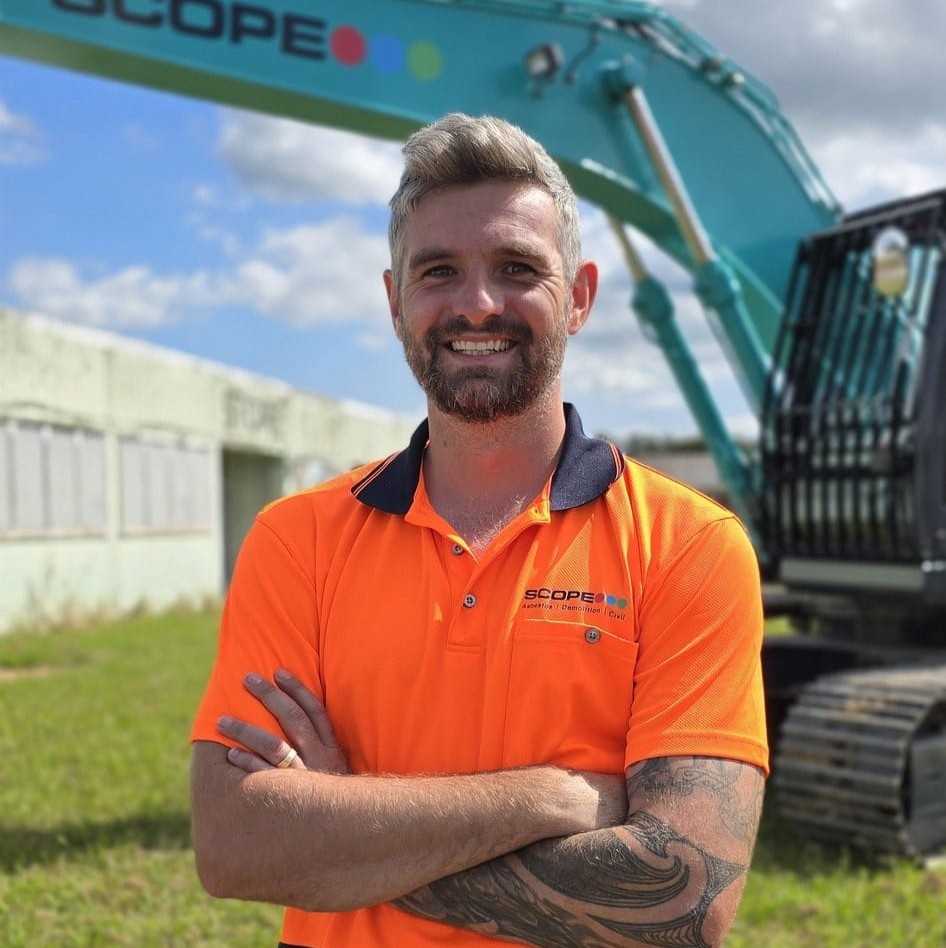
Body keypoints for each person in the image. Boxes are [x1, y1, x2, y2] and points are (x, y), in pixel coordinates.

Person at [189, 112, 768, 948]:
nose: (477, 304)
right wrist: (552, 799)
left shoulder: (689, 546)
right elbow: (235, 844)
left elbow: (683, 904)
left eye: (517, 268)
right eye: (438, 272)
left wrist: (344, 829)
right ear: (395, 302)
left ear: (579, 295)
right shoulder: (297, 538)